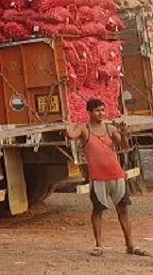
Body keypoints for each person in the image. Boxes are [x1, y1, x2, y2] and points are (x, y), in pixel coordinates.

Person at [64, 98, 149, 257]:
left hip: (116, 175)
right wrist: (63, 126)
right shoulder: (83, 128)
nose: (101, 113)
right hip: (97, 177)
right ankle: (98, 245)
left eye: (103, 110)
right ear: (89, 112)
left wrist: (123, 135)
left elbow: (124, 146)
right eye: (97, 110)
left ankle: (130, 245)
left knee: (123, 211)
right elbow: (71, 135)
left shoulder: (110, 129)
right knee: (98, 210)